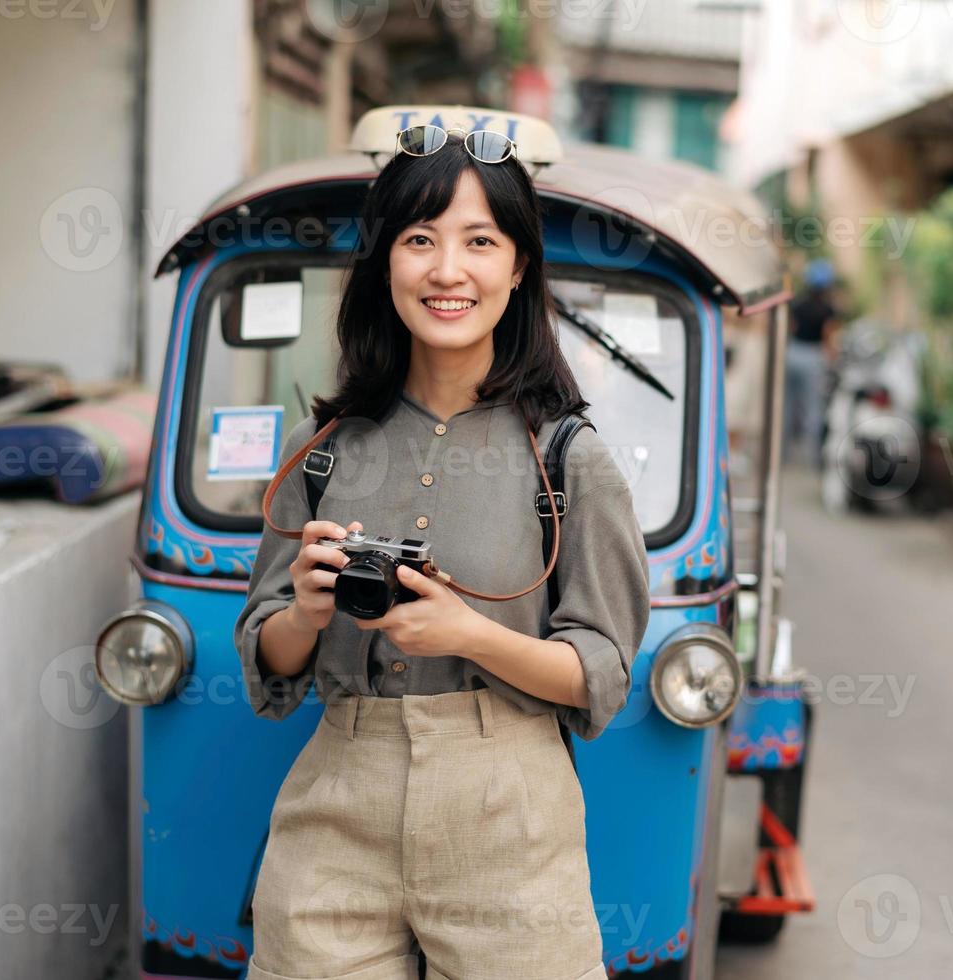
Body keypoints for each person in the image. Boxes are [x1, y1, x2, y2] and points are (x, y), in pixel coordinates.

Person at [232, 125, 651, 980]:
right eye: (419, 239)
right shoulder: (323, 447)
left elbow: (601, 673)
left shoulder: (570, 457)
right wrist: (307, 613)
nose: (446, 270)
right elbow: (267, 662)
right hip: (336, 808)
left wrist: (471, 636)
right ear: (385, 261)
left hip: (510, 811)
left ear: (519, 266)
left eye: (480, 242)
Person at [784, 258, 839, 469]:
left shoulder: (797, 304)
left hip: (792, 352)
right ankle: (811, 459)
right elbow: (828, 337)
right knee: (812, 409)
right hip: (813, 357)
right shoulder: (828, 309)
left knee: (787, 406)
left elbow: (790, 328)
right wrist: (833, 358)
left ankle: (783, 455)